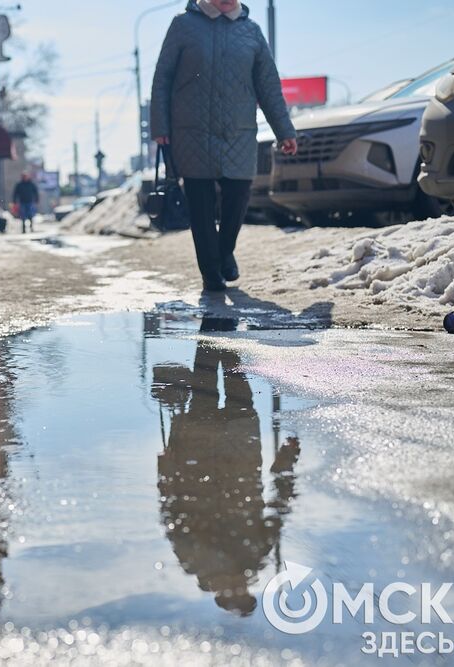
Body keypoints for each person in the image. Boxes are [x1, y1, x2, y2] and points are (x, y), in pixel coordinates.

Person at [151, 0, 298, 292]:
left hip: (238, 132)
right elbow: (162, 77)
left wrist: (285, 131)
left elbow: (268, 86)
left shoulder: (251, 31)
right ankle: (210, 272)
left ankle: (225, 250)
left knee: (238, 194)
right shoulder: (184, 25)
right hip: (191, 132)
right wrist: (160, 126)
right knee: (200, 205)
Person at [151, 328, 301, 615]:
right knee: (234, 372)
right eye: (242, 591)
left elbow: (170, 509)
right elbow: (279, 504)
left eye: (233, 592)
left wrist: (166, 467)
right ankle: (222, 322)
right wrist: (287, 460)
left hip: (199, 446)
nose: (237, 585)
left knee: (205, 372)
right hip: (239, 445)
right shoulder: (255, 555)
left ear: (219, 592)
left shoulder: (193, 561)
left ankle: (213, 319)